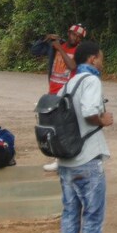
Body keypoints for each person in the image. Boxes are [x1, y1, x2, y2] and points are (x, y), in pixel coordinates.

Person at [58, 41, 117, 233]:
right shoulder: (91, 81)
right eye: (101, 57)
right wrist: (103, 120)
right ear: (93, 59)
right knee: (93, 218)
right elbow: (88, 112)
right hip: (87, 159)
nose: (102, 61)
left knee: (69, 217)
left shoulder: (68, 83)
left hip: (66, 160)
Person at [31, 23, 86, 173]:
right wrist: (45, 39)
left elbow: (72, 66)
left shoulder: (80, 50)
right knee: (54, 126)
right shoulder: (56, 45)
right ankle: (58, 159)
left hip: (67, 93)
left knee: (65, 128)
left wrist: (60, 49)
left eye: (78, 36)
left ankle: (67, 160)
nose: (74, 38)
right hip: (53, 91)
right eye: (72, 34)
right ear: (68, 33)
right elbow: (34, 50)